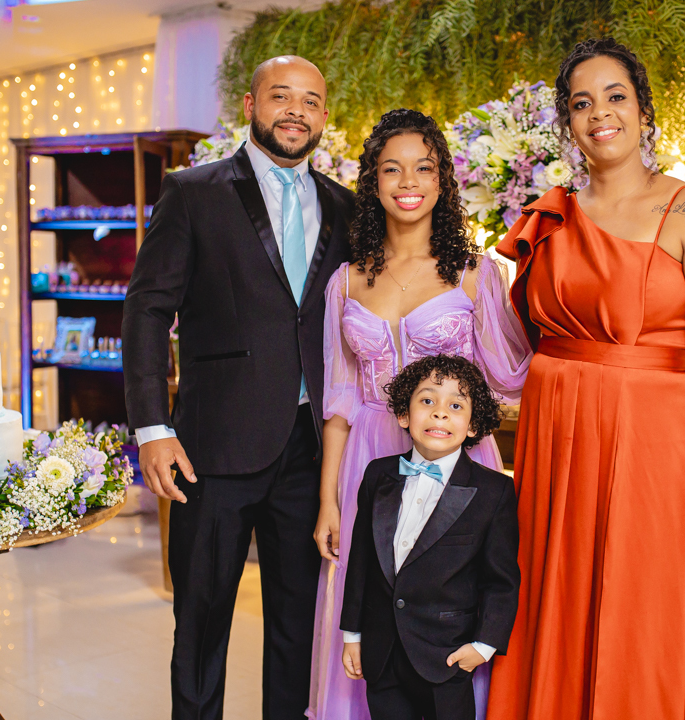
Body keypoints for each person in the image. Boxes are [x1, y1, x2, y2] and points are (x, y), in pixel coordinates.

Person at [485, 38, 685, 720]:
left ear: (644, 110)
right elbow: (515, 342)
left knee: (643, 612)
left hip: (654, 446)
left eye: (615, 97)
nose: (600, 113)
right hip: (555, 443)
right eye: (582, 103)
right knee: (555, 599)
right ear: (567, 123)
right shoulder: (549, 216)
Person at [122, 55, 355, 720]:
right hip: (212, 449)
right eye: (281, 96)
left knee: (297, 629)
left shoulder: (345, 206)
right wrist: (152, 428)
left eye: (310, 101)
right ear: (252, 105)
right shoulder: (192, 192)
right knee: (200, 628)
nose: (295, 111)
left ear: (324, 116)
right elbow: (146, 311)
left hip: (310, 451)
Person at [309, 109, 531, 720]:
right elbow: (339, 402)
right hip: (368, 458)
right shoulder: (345, 282)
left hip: (456, 455)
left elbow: (512, 378)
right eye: (392, 169)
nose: (408, 182)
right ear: (373, 182)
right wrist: (329, 499)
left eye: (424, 167)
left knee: (453, 595)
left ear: (442, 180)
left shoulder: (474, 274)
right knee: (371, 599)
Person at [340, 355, 520, 720]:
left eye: (456, 406)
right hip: (382, 653)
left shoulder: (493, 491)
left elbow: (500, 579)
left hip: (447, 656)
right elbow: (360, 561)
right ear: (404, 415)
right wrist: (352, 635)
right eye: (427, 400)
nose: (439, 413)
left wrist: (484, 645)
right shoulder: (377, 475)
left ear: (473, 425)